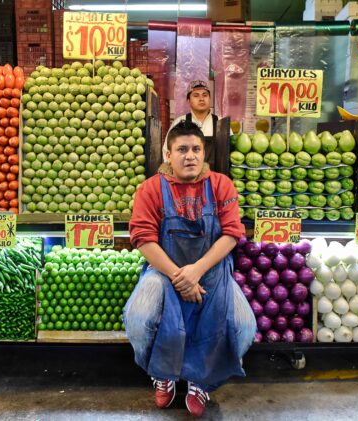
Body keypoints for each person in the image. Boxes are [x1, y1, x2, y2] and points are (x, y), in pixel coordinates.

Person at [126, 121, 256, 417]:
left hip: (210, 269)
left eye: (196, 149)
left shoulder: (221, 184)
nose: (190, 156)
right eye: (181, 149)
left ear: (203, 152)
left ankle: (202, 380)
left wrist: (196, 270)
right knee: (139, 318)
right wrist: (179, 276)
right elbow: (143, 239)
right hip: (164, 270)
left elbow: (232, 233)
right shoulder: (150, 189)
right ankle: (162, 373)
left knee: (245, 327)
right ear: (168, 155)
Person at [162, 80, 222, 168]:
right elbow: (167, 152)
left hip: (214, 179)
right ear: (189, 101)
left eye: (205, 95)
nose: (201, 99)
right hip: (186, 179)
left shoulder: (221, 123)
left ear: (209, 99)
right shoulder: (179, 122)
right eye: (196, 95)